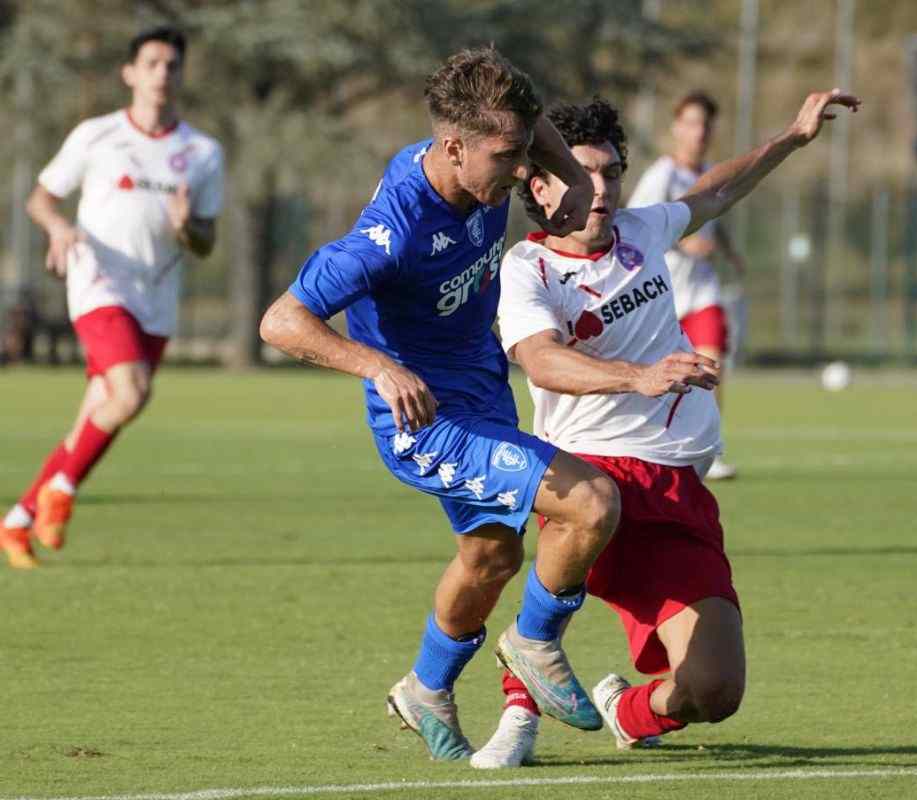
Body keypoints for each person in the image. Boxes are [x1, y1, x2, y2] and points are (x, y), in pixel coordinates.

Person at [258, 48, 631, 763]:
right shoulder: (392, 230)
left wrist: (573, 176)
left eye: (526, 152)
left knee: (492, 554)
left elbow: (534, 129)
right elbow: (280, 321)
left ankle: (425, 688)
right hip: (426, 418)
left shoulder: (485, 161)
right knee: (592, 504)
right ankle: (533, 644)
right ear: (453, 147)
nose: (522, 171)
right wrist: (377, 366)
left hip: (480, 386)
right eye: (507, 157)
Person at [470, 90, 859, 768]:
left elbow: (715, 191)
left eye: (613, 171)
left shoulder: (642, 233)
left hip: (677, 493)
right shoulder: (527, 267)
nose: (602, 189)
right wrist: (638, 376)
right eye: (583, 173)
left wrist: (793, 136)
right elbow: (540, 359)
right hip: (589, 479)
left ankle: (628, 711)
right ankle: (517, 715)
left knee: (716, 688)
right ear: (538, 183)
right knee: (554, 589)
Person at [1, 26, 224, 570]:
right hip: (99, 281)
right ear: (130, 73)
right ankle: (62, 489)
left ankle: (20, 519)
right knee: (129, 393)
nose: (162, 73)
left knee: (101, 411)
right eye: (151, 63)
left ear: (181, 75)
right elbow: (40, 199)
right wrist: (58, 229)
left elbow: (206, 242)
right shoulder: (95, 136)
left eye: (172, 65)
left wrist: (186, 225)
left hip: (158, 295)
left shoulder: (201, 152)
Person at [627, 91, 747, 481]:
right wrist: (684, 242)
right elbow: (638, 224)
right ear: (677, 127)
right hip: (664, 297)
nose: (700, 131)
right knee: (660, 376)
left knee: (711, 364)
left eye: (706, 124)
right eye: (692, 122)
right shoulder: (662, 175)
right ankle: (650, 445)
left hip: (703, 291)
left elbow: (714, 219)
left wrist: (729, 252)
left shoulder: (708, 174)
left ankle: (710, 447)